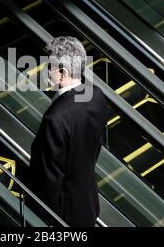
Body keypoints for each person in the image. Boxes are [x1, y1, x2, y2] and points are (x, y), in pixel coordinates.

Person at [28, 36, 108, 227]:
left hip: (63, 217)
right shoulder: (96, 96)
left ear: (62, 73)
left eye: (50, 67)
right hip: (87, 204)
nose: (46, 72)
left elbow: (49, 182)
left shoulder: (55, 119)